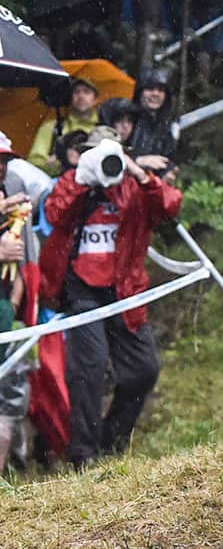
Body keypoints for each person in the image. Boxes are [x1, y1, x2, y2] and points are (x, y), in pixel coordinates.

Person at [39, 126, 182, 470]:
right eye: (95, 151)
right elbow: (53, 213)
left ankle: (112, 441)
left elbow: (170, 206)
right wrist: (82, 179)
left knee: (144, 370)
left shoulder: (133, 186)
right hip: (81, 289)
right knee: (89, 368)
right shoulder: (74, 183)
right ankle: (84, 455)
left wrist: (135, 170)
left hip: (125, 289)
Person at [0, 133, 30, 473]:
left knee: (6, 398)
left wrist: (16, 301)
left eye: (5, 161)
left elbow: (23, 261)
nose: (0, 167)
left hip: (5, 308)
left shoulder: (11, 199)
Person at [28, 77, 101, 176]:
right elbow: (34, 161)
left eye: (86, 92)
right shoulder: (51, 127)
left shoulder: (104, 130)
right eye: (76, 92)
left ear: (95, 99)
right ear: (70, 97)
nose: (81, 96)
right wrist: (59, 163)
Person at [129, 70, 179, 184]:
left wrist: (167, 172)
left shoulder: (164, 128)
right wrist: (138, 161)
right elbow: (109, 154)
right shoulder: (125, 119)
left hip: (149, 189)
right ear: (140, 92)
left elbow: (167, 159)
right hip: (120, 190)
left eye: (161, 90)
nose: (156, 94)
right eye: (150, 89)